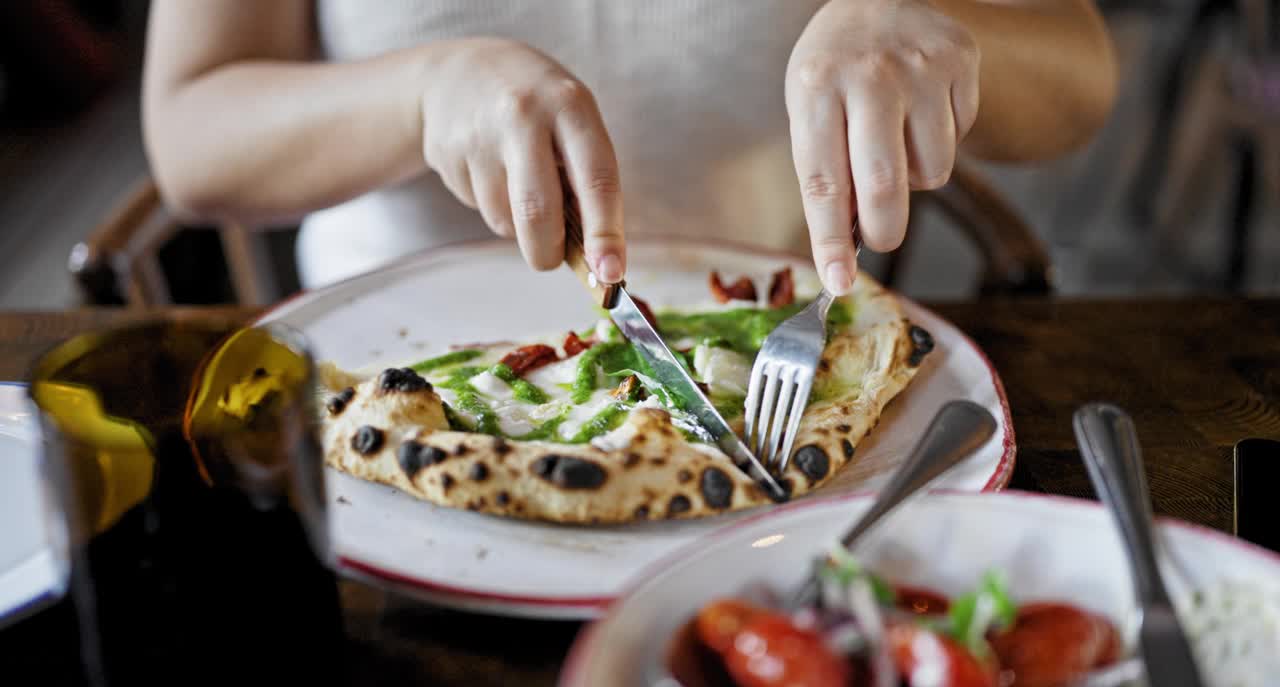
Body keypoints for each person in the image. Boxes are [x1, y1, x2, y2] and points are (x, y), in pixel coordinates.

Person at [142, 1, 1115, 293]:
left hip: (769, 402)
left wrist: (933, 29)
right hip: (387, 388)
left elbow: (1079, 77)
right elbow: (190, 140)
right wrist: (418, 95)